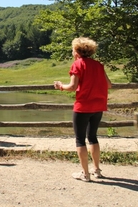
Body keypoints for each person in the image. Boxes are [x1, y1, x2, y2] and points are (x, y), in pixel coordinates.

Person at [54, 37, 112, 182]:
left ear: (77, 51)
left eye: (73, 49)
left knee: (80, 140)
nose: (72, 52)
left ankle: (85, 174)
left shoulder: (77, 65)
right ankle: (97, 170)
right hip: (98, 106)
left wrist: (60, 86)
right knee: (93, 137)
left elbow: (72, 87)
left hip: (83, 106)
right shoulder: (99, 65)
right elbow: (109, 84)